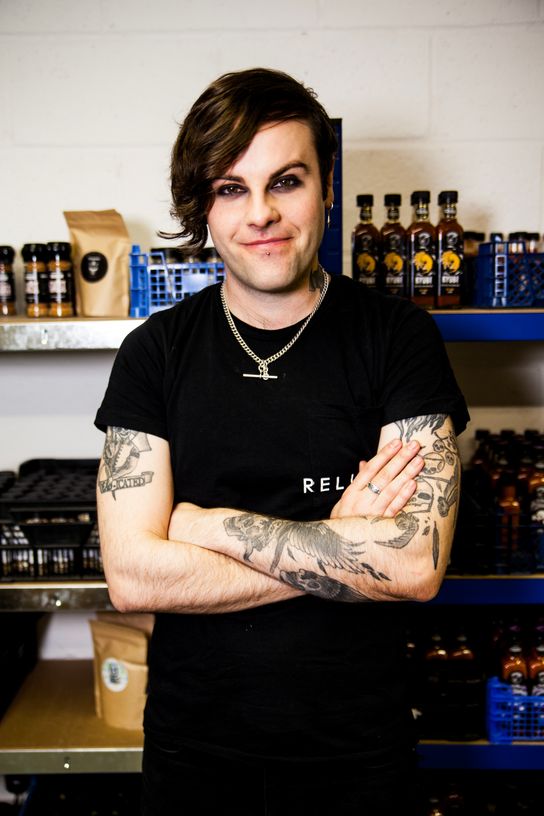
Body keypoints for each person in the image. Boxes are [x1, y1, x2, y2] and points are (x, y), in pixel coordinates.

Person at [95, 67, 469, 815]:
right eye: (231, 188)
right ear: (203, 208)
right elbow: (134, 578)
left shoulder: (398, 341)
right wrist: (340, 541)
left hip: (358, 757)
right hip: (196, 755)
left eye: (286, 180)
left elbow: (415, 563)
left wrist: (202, 528)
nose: (261, 213)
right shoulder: (155, 353)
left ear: (326, 188)